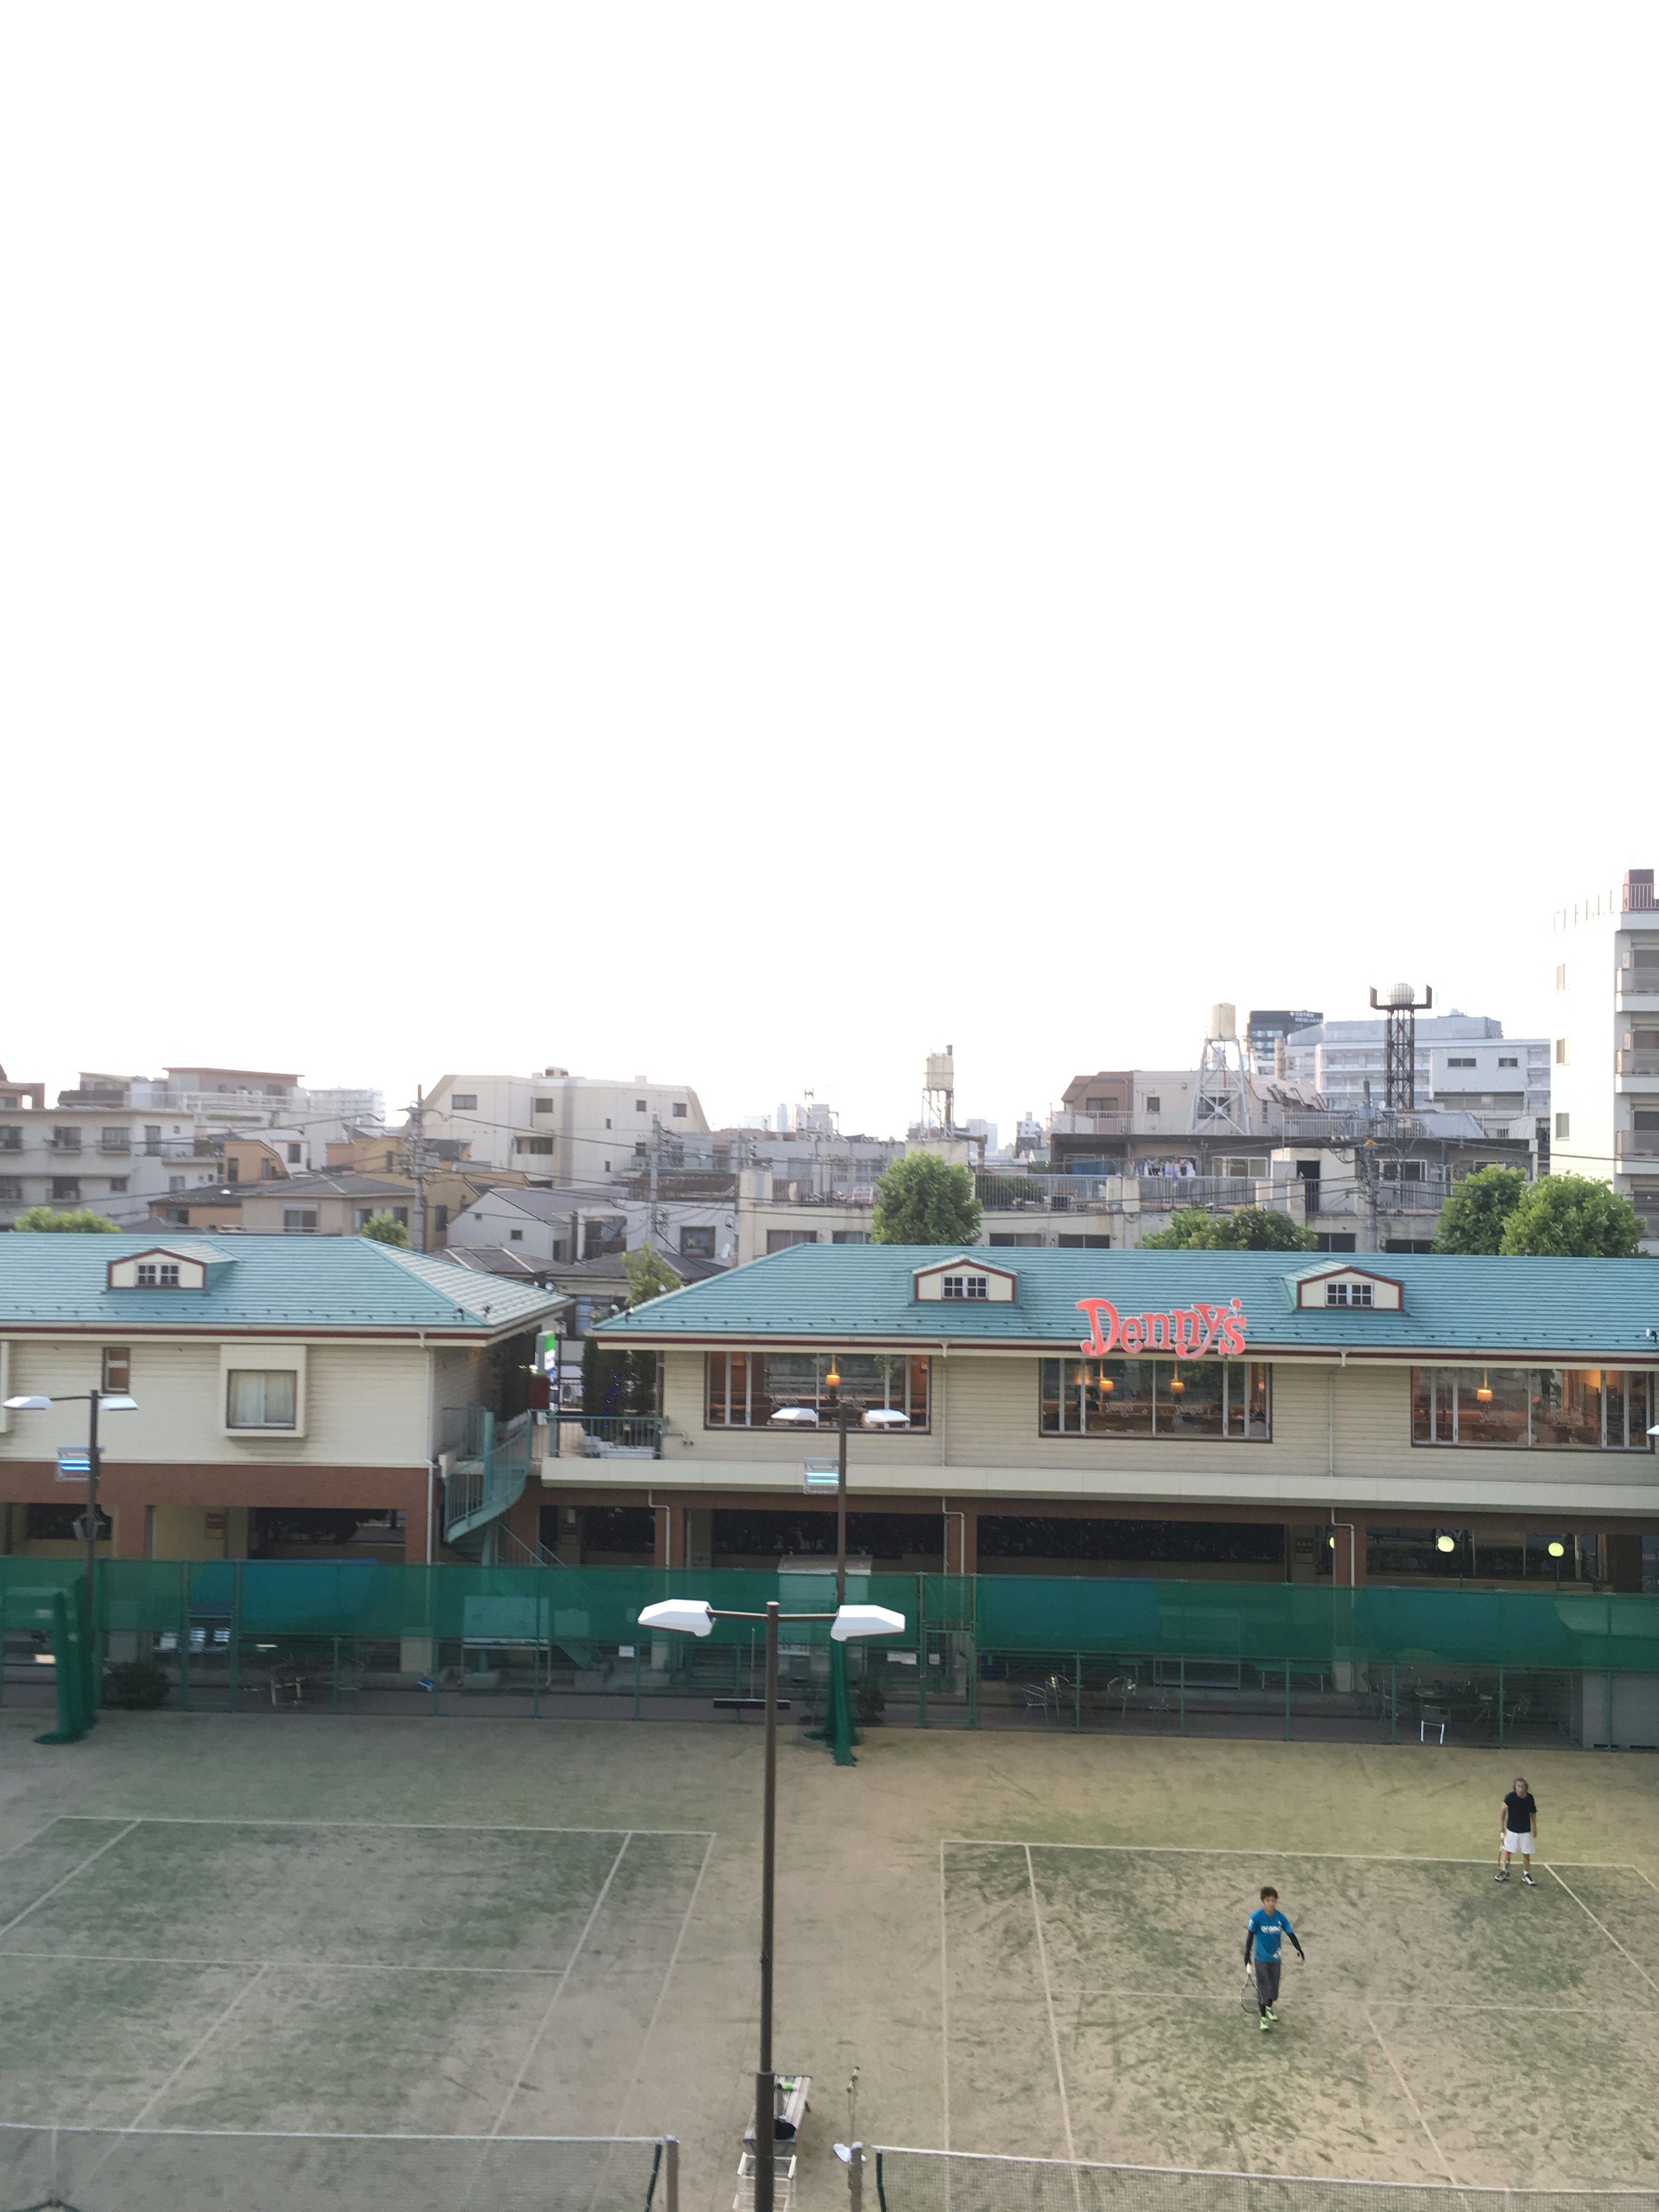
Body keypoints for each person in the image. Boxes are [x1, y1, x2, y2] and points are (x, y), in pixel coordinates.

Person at [1245, 1885, 1304, 2029]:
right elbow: (1250, 1937)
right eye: (1269, 1901)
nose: (1272, 1903)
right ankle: (1263, 2018)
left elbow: (1290, 1934)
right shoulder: (1257, 1918)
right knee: (1264, 1988)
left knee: (1274, 1990)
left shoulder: (1281, 1918)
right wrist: (1247, 1956)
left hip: (1276, 1959)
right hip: (1261, 1959)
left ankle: (1270, 2008)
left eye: (1274, 1901)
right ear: (1263, 1902)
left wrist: (1299, 1948)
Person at [1497, 1777, 1538, 1885]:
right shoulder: (1510, 1797)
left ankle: (1526, 1874)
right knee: (1508, 1853)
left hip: (1525, 1832)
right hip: (1512, 1831)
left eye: (1522, 1787)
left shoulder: (1530, 1798)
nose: (1520, 1789)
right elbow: (1503, 1810)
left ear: (1526, 1788)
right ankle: (1504, 1872)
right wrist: (1501, 1825)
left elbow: (1533, 1813)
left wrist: (1534, 1827)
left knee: (1526, 1854)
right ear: (1515, 1788)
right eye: (1518, 1787)